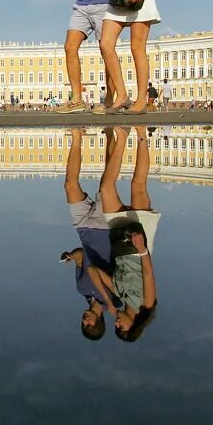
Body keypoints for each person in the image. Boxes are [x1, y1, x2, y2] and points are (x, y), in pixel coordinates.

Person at [90, 126, 159, 341]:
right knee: (138, 184)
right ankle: (141, 135)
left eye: (116, 328)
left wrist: (108, 301)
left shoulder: (119, 294)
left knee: (105, 188)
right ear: (133, 327)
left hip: (118, 237)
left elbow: (94, 270)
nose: (117, 324)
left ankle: (122, 136)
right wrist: (142, 250)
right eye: (122, 328)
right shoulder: (147, 305)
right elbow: (148, 275)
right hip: (139, 241)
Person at [59, 128, 123, 340]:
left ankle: (77, 136)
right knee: (107, 182)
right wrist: (107, 299)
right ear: (98, 322)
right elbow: (96, 268)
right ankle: (110, 134)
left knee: (69, 185)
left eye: (82, 324)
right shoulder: (115, 300)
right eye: (89, 324)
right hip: (104, 228)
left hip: (83, 230)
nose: (84, 320)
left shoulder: (81, 289)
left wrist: (70, 255)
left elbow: (81, 257)